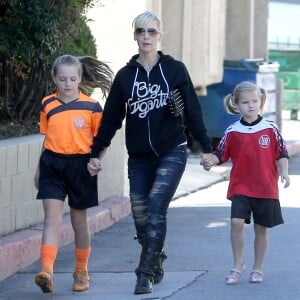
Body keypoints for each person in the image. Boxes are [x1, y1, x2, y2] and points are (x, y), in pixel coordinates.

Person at [87, 11, 212, 295]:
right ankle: (157, 255)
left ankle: (143, 274)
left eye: (151, 32)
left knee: (157, 205)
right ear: (135, 36)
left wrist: (207, 150)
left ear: (160, 36)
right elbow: (110, 119)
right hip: (140, 157)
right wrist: (96, 154)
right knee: (141, 215)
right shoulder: (125, 76)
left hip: (172, 150)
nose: (146, 36)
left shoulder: (175, 69)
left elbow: (192, 110)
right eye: (141, 31)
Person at [34, 55, 113, 293]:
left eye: (72, 79)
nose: (68, 84)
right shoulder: (47, 104)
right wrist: (39, 168)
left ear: (80, 78)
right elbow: (47, 139)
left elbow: (102, 141)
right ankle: (46, 270)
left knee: (79, 222)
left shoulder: (92, 107)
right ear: (54, 78)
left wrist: (97, 160)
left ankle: (81, 271)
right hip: (52, 165)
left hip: (81, 166)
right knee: (51, 219)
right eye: (62, 79)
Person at [202, 81, 290, 285]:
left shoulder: (270, 128)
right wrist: (210, 161)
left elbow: (282, 153)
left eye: (254, 101)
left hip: (266, 186)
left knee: (261, 228)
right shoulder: (232, 130)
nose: (250, 105)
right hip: (241, 186)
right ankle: (237, 265)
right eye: (245, 102)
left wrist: (284, 172)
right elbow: (221, 154)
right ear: (236, 104)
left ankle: (257, 268)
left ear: (260, 102)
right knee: (236, 223)